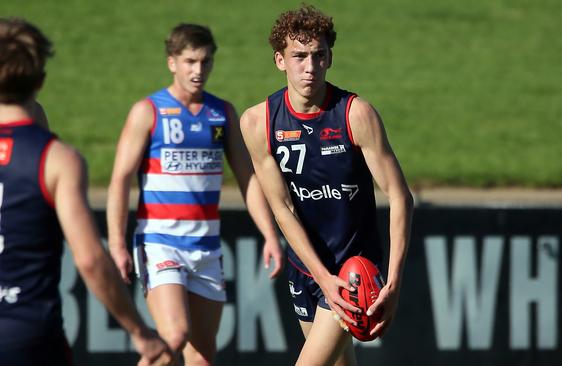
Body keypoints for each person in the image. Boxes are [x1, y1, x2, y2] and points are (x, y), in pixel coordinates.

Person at [239, 5, 414, 365]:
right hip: (305, 268)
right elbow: (282, 209)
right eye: (299, 56)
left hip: (354, 270)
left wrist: (393, 280)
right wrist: (320, 275)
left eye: (319, 56)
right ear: (279, 61)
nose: (310, 66)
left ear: (330, 58)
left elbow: (399, 196)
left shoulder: (355, 114)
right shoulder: (258, 123)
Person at [106, 23, 284, 365]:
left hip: (206, 247)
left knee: (201, 358)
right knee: (175, 335)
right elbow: (120, 180)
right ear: (172, 62)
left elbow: (248, 179)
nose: (198, 70)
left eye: (205, 62)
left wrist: (270, 235)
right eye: (189, 61)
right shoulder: (149, 111)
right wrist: (116, 244)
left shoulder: (222, 113)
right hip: (160, 243)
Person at [0, 18, 172, 366]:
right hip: (28, 337)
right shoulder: (57, 160)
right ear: (40, 80)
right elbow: (91, 260)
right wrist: (141, 333)